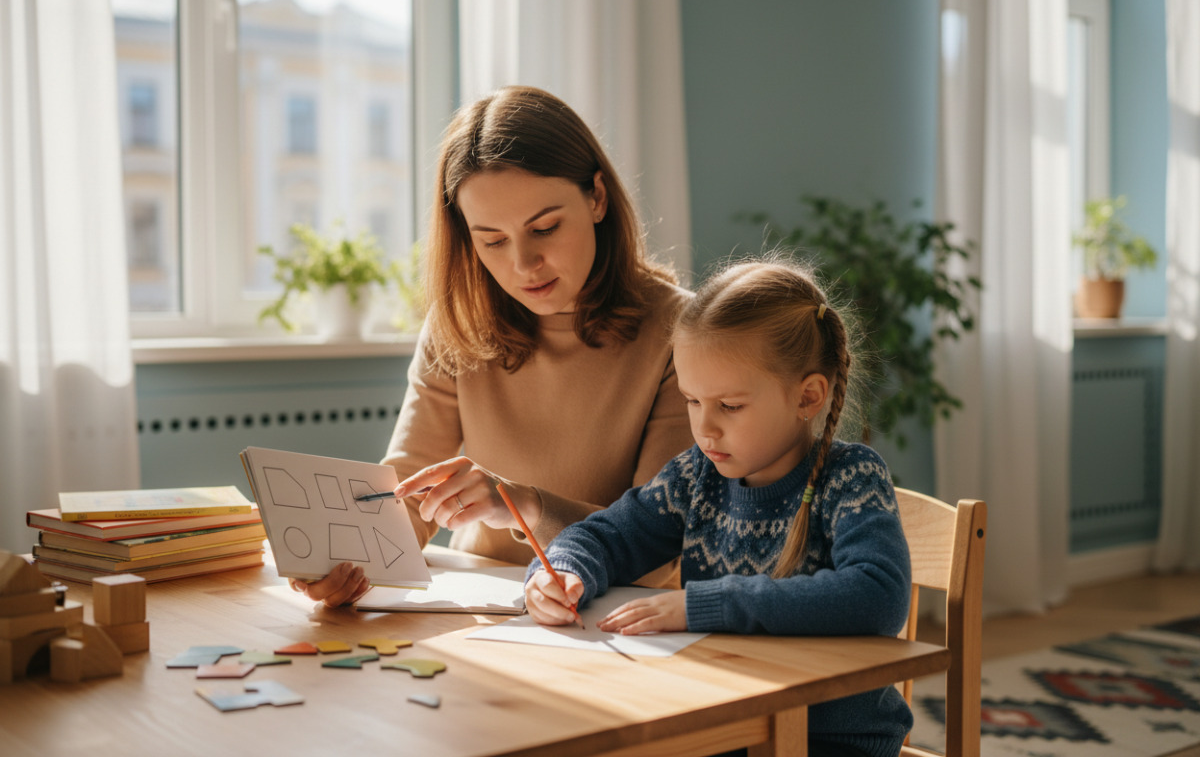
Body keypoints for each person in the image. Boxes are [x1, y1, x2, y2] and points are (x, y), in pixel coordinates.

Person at [290, 86, 693, 607]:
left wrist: (523, 504)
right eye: (493, 240)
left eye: (544, 228)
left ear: (597, 197)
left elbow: (658, 545)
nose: (524, 264)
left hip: (617, 611)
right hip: (488, 602)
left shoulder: (682, 331)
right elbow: (406, 492)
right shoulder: (458, 324)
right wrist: (350, 561)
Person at [524, 259, 913, 757]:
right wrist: (561, 570)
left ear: (808, 397)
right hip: (725, 718)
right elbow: (609, 535)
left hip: (831, 738)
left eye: (729, 406)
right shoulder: (696, 476)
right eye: (692, 401)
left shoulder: (851, 477)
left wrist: (705, 605)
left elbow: (878, 595)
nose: (704, 428)